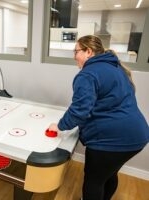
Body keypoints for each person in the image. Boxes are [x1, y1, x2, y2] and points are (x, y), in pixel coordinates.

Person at [48, 35, 149, 200]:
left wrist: (58, 126)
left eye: (76, 52)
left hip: (110, 140)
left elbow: (80, 110)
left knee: (94, 182)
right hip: (137, 135)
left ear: (88, 51)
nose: (74, 57)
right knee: (108, 174)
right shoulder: (115, 67)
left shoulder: (88, 74)